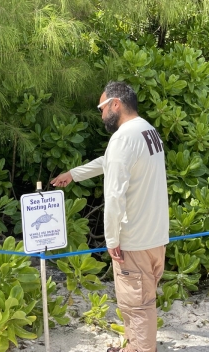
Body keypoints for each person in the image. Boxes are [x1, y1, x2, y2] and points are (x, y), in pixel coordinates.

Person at [50, 81, 169, 352]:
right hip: (155, 237)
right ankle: (131, 347)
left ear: (115, 104)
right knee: (142, 301)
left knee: (136, 306)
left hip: (134, 240)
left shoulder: (123, 137)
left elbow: (115, 196)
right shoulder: (148, 131)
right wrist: (74, 174)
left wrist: (111, 239)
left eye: (101, 107)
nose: (101, 114)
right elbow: (109, 162)